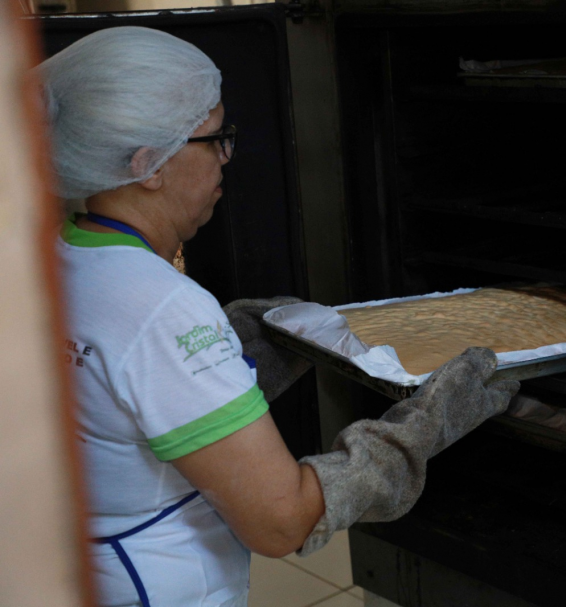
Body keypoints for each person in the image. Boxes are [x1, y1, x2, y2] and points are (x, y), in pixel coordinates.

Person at [40, 27, 519, 607]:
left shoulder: (55, 261)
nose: (225, 159)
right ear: (149, 164)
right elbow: (280, 521)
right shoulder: (161, 306)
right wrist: (423, 427)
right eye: (217, 138)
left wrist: (235, 357)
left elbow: (121, 404)